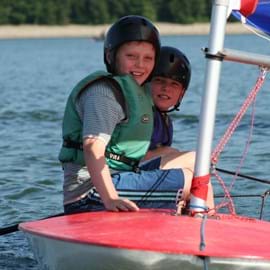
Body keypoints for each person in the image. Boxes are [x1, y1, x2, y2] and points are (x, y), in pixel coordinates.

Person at [59, 15, 195, 215]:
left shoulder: (135, 94)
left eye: (148, 58)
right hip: (89, 193)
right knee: (190, 179)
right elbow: (92, 147)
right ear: (110, 56)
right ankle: (202, 232)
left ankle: (201, 221)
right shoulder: (104, 93)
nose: (140, 65)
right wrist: (110, 198)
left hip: (121, 179)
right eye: (131, 56)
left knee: (197, 166)